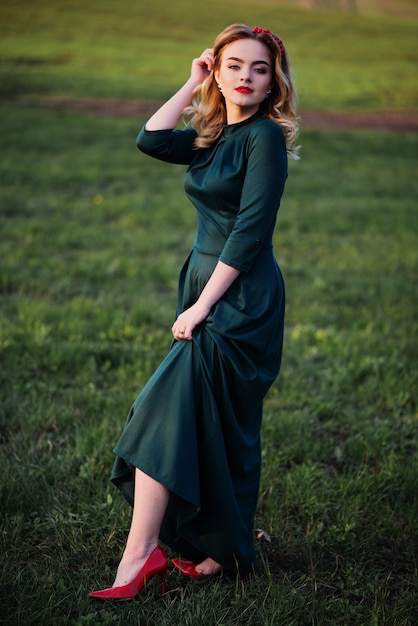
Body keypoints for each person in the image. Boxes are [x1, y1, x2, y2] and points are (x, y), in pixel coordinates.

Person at [89, 22, 299, 600]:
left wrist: (203, 307)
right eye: (234, 66)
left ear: (274, 79)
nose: (247, 78)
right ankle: (220, 550)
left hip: (240, 297)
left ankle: (139, 558)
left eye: (260, 68)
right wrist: (192, 83)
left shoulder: (266, 140)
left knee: (172, 404)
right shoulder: (212, 135)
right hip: (205, 284)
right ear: (219, 71)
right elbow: (151, 140)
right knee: (209, 421)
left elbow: (250, 234)